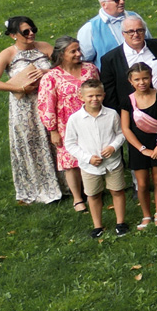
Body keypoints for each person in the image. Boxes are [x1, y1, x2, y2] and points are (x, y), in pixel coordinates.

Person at [0, 16, 60, 206]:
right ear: (12, 35)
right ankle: (39, 189)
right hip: (25, 107)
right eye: (25, 32)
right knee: (32, 144)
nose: (31, 34)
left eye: (33, 29)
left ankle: (64, 185)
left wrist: (46, 73)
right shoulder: (7, 54)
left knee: (55, 142)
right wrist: (18, 89)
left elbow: (65, 67)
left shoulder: (45, 47)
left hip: (50, 103)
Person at [38, 35, 99, 213]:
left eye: (79, 50)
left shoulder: (91, 69)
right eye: (73, 51)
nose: (78, 54)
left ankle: (93, 191)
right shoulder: (52, 76)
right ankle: (78, 198)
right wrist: (53, 130)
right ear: (62, 54)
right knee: (70, 161)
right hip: (66, 124)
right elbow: (46, 104)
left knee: (91, 154)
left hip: (91, 119)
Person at [64, 79, 131, 238]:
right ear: (82, 97)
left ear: (103, 96)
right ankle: (97, 225)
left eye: (98, 95)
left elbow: (121, 134)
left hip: (112, 162)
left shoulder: (111, 114)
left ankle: (120, 223)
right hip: (90, 166)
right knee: (93, 194)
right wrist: (88, 158)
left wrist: (113, 147)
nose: (94, 99)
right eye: (90, 96)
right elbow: (70, 143)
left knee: (117, 190)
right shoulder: (75, 119)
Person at [120, 63, 157, 229]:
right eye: (137, 79)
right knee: (141, 184)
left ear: (151, 77)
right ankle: (146, 215)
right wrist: (142, 149)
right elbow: (125, 128)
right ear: (130, 81)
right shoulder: (127, 100)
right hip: (138, 147)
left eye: (145, 78)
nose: (142, 82)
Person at [98, 16, 157, 113]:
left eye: (140, 30)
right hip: (133, 114)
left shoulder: (156, 45)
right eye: (131, 31)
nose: (136, 34)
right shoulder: (110, 59)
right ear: (123, 34)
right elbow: (110, 95)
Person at [77, 0, 142, 64]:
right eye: (116, 0)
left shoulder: (135, 17)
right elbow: (85, 60)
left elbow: (148, 41)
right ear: (104, 4)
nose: (122, 2)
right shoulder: (89, 28)